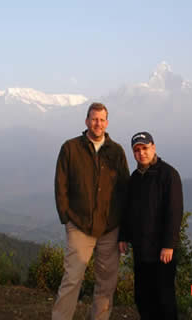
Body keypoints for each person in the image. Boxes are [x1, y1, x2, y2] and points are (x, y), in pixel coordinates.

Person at [52, 102, 129, 320]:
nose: (98, 124)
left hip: (110, 228)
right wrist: (66, 217)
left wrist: (123, 228)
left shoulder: (116, 151)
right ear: (86, 121)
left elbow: (124, 190)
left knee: (107, 283)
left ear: (107, 122)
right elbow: (61, 184)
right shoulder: (70, 148)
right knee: (72, 279)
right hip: (79, 225)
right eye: (94, 119)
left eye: (102, 120)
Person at [118, 131, 183, 320]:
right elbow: (128, 211)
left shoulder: (168, 174)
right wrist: (123, 236)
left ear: (153, 147)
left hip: (163, 251)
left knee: (164, 298)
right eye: (137, 150)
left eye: (145, 148)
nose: (141, 153)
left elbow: (174, 211)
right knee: (142, 297)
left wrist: (169, 244)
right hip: (141, 249)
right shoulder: (135, 178)